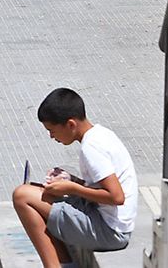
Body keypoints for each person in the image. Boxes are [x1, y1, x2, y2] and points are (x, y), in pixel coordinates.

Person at [11, 89, 138, 268]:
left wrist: (71, 188)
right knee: (37, 191)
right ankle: (65, 263)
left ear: (71, 124)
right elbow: (100, 186)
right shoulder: (101, 134)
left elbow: (117, 197)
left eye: (52, 130)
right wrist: (71, 180)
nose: (51, 136)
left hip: (110, 232)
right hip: (109, 222)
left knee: (21, 196)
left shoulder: (91, 149)